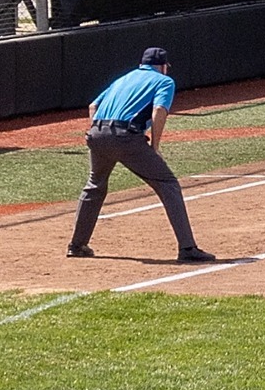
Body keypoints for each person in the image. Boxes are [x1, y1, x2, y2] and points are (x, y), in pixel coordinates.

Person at [67, 47, 215, 263]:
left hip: (97, 133)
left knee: (95, 185)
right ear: (163, 66)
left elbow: (93, 105)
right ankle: (187, 248)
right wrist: (154, 146)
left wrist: (98, 133)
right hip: (125, 137)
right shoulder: (164, 81)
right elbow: (158, 111)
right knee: (168, 184)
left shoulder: (124, 79)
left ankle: (77, 245)